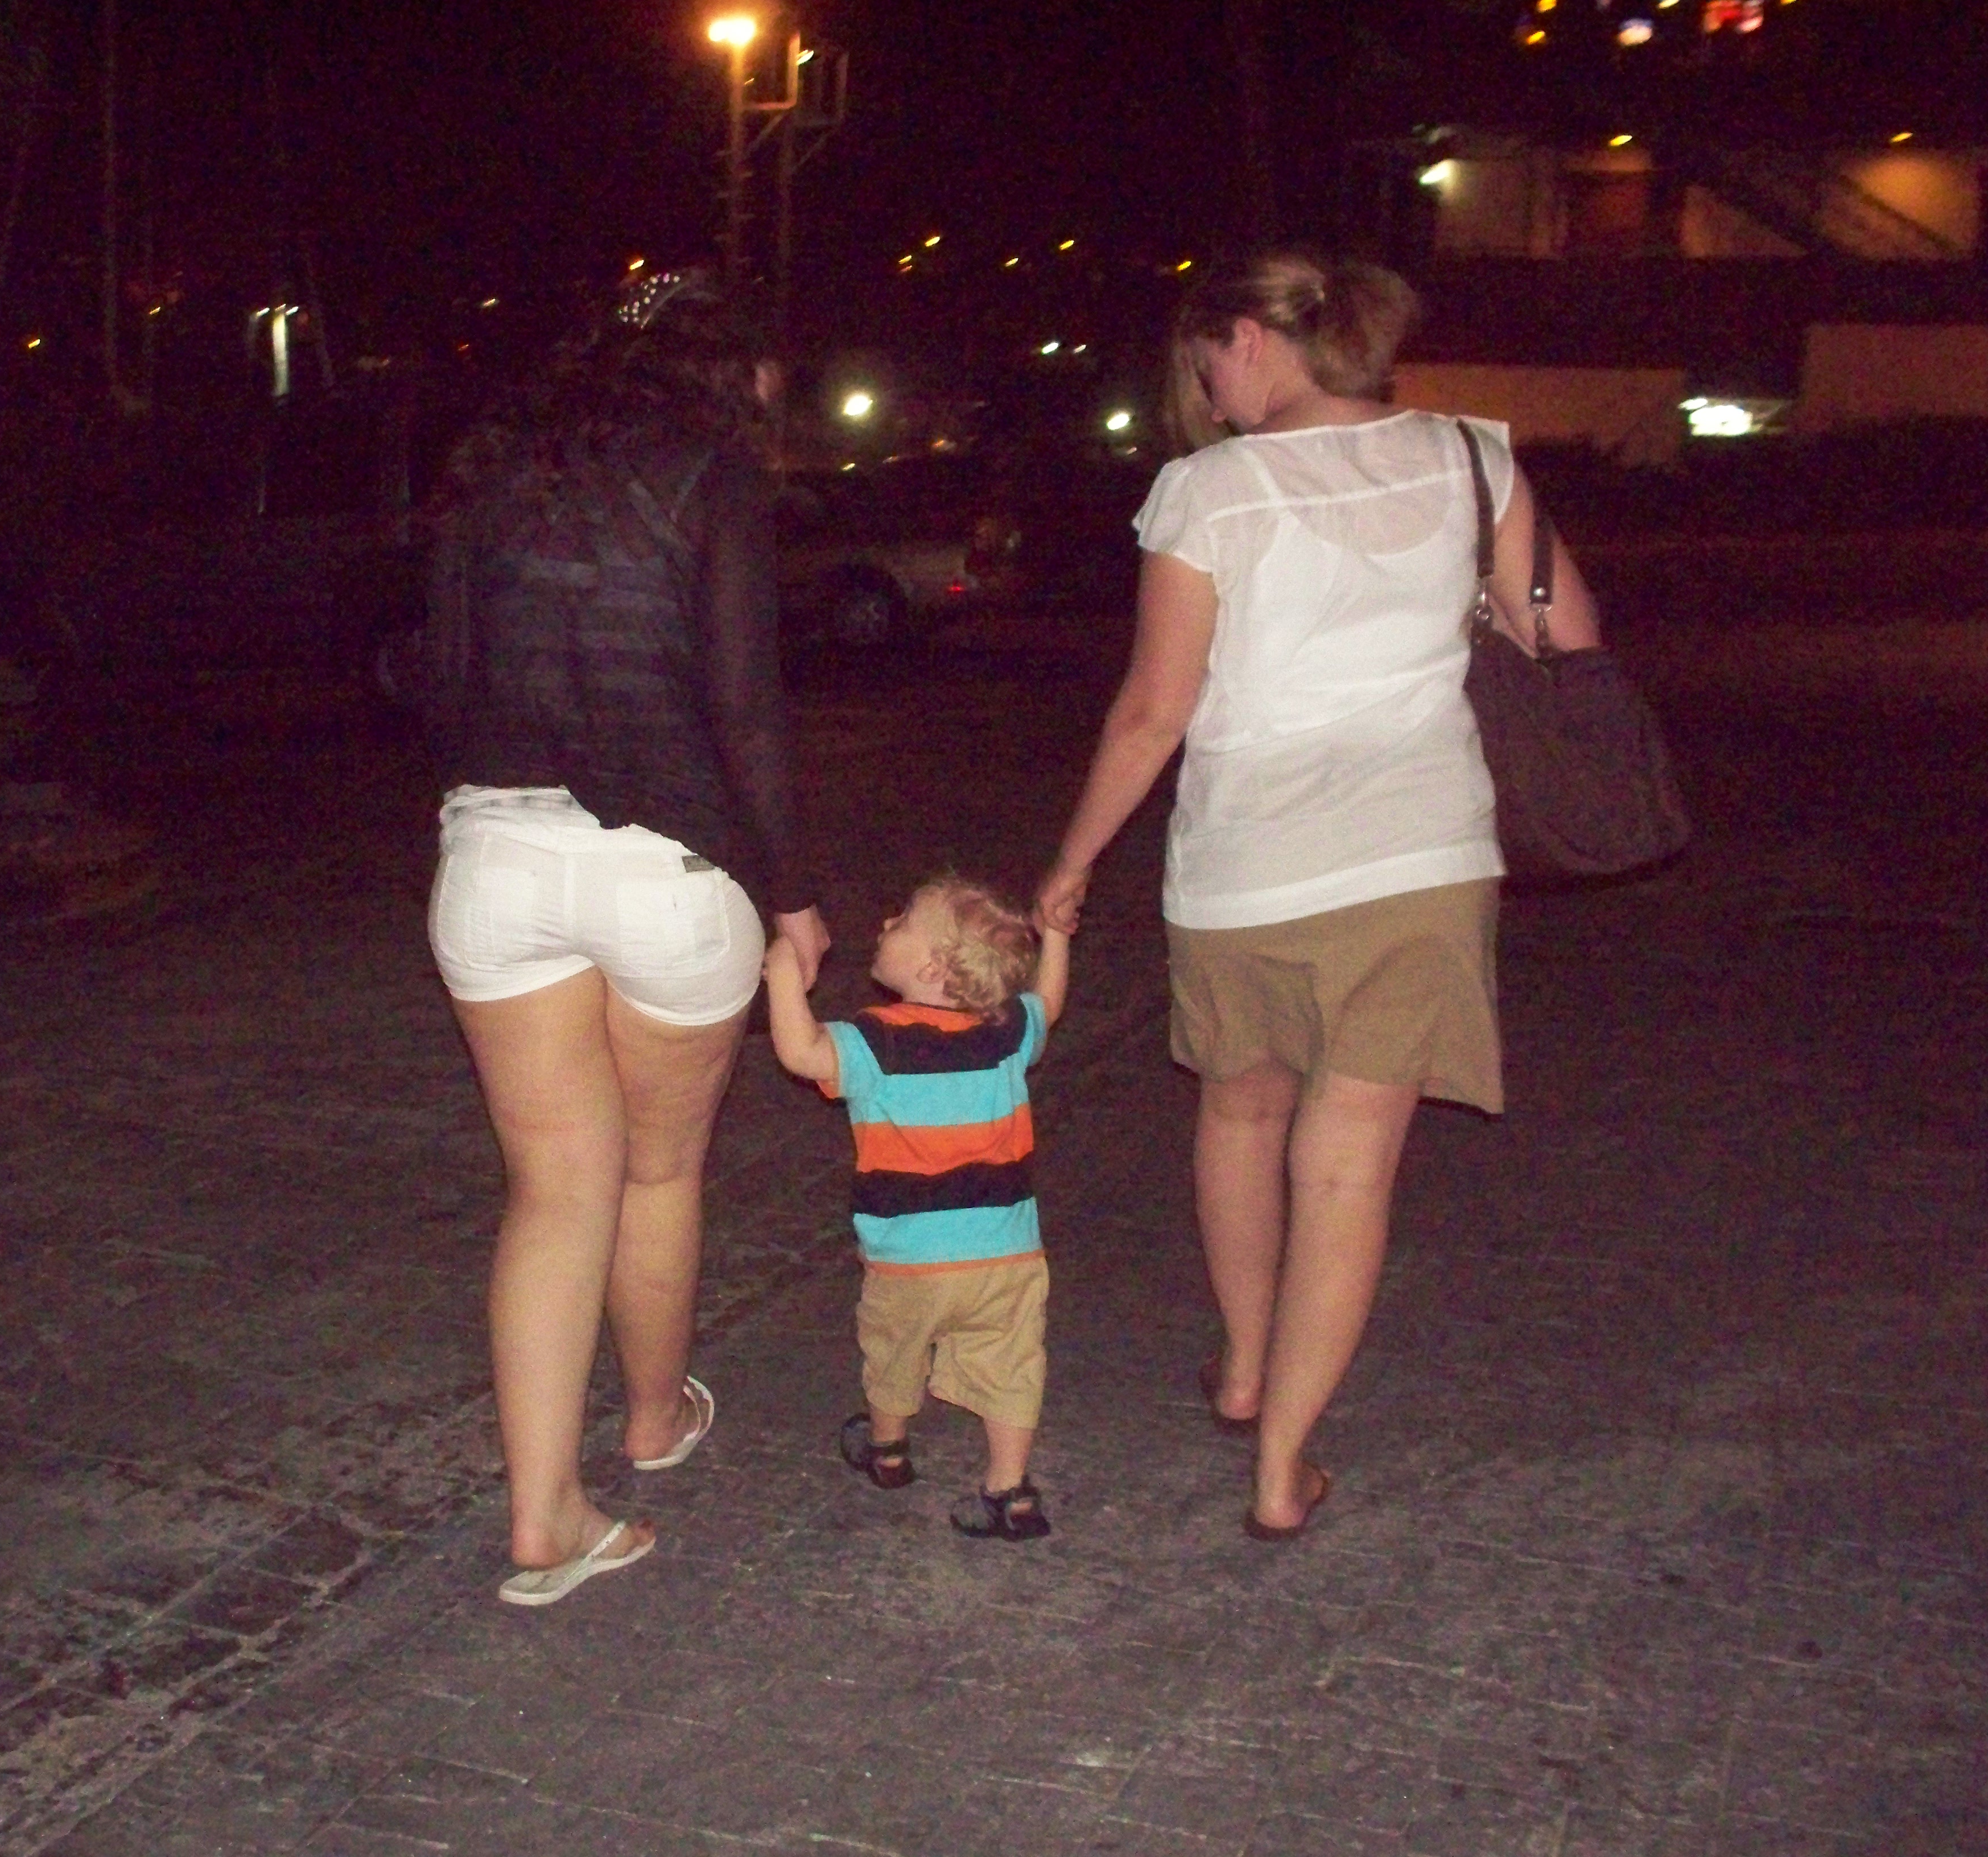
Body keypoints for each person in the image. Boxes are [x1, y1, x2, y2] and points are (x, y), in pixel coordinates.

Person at [1035, 249, 1601, 1541]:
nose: (1207, 398)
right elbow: (1565, 638)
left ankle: (1243, 1366)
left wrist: (1070, 864)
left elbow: (1152, 711)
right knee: (1346, 1168)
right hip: (1417, 862)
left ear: (1246, 337)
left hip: (1243, 865)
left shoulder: (1207, 491)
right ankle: (1282, 1464)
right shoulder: (1469, 456)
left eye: (1205, 368)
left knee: (1240, 1112)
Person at [418, 269, 830, 1604]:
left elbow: (440, 674)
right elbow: (743, 705)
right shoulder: (713, 471)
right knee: (655, 1174)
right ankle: (654, 1420)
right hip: (667, 863)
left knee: (552, 1189)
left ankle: (543, 1514)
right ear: (732, 374)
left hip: (494, 853)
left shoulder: (494, 468)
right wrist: (790, 894)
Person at [762, 876, 1070, 1541]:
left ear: (931, 969)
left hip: (911, 1262)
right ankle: (1010, 1490)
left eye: (900, 922)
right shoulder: (1007, 1033)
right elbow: (1047, 1003)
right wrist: (1057, 939)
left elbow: (800, 1051)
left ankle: (888, 1449)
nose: (885, 924)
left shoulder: (875, 1042)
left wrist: (783, 974)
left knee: (894, 1351)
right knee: (1011, 1364)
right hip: (1006, 1256)